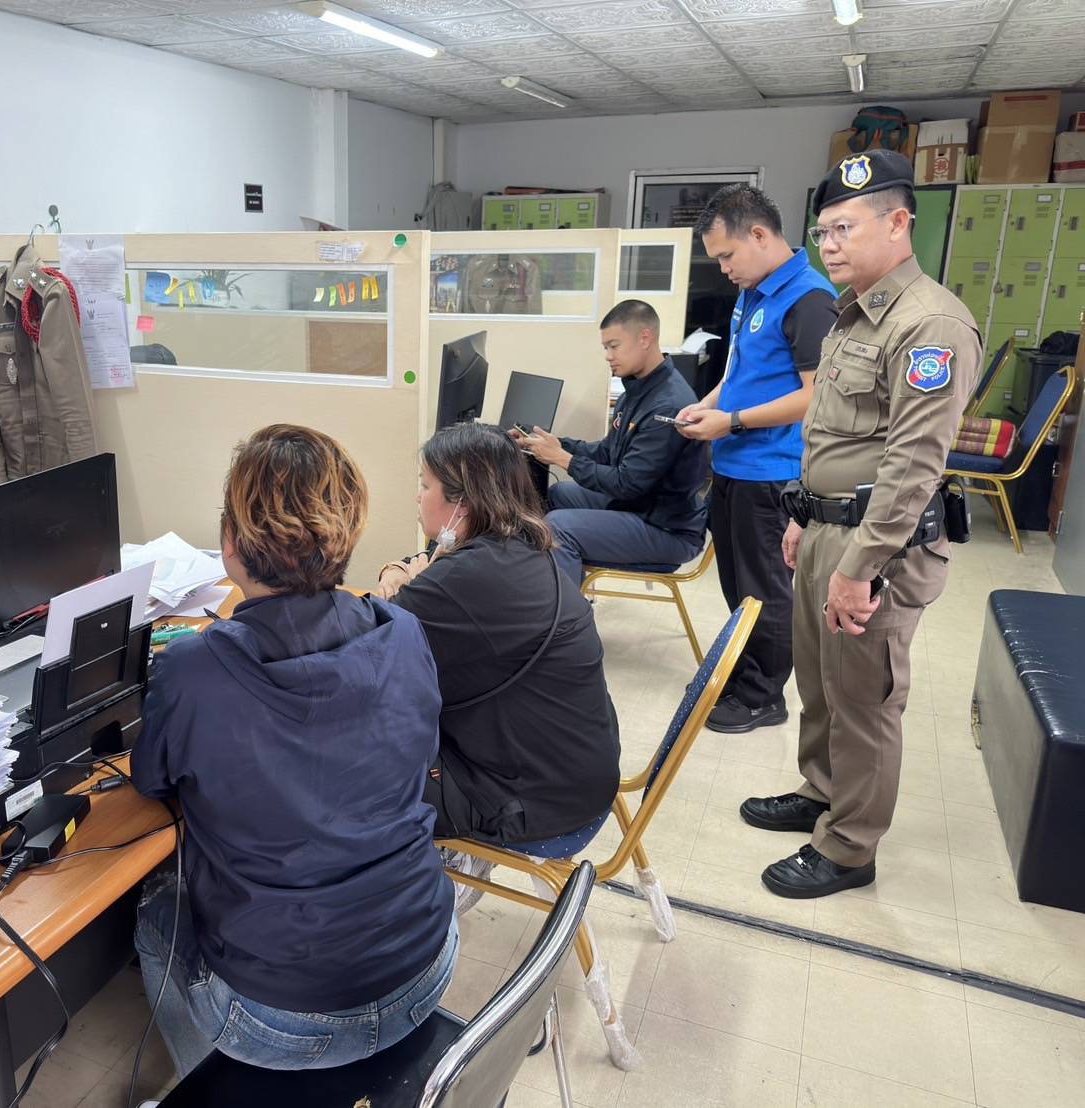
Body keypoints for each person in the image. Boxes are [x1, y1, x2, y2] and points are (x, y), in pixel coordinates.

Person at [129, 424, 456, 1078]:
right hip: (425, 959)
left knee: (156, 910)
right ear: (348, 532)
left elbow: (152, 779)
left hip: (283, 1019)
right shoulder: (404, 632)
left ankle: (217, 1082)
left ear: (229, 543)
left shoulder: (195, 669)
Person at [742, 150, 980, 899]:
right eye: (823, 231)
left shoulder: (929, 326)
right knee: (818, 683)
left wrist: (857, 567)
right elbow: (831, 432)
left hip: (874, 545)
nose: (829, 245)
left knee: (864, 700)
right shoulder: (853, 315)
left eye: (844, 228)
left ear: (898, 223)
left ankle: (848, 848)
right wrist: (800, 513)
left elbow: (911, 466)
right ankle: (821, 793)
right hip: (823, 530)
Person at [375, 422, 621, 864]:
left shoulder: (464, 580)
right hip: (574, 776)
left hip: (531, 804)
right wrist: (404, 568)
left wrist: (396, 578)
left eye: (424, 485)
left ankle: (407, 912)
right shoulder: (520, 543)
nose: (417, 496)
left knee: (340, 774)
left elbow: (370, 646)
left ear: (461, 502)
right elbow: (424, 573)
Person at [677, 184, 838, 733]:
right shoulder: (755, 290)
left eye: (727, 255)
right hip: (732, 463)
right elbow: (738, 373)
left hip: (771, 471)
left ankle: (763, 696)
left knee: (765, 588)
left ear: (761, 235)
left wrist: (735, 422)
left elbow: (815, 396)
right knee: (737, 585)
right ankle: (744, 673)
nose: (723, 269)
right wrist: (706, 406)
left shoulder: (809, 298)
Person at [513, 299, 709, 586]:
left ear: (645, 338)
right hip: (641, 506)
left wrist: (561, 458)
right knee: (557, 495)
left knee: (557, 528)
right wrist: (554, 444)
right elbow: (607, 452)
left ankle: (566, 621)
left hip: (667, 528)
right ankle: (549, 590)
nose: (607, 355)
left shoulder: (667, 406)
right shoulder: (637, 388)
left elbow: (627, 483)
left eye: (614, 346)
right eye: (605, 347)